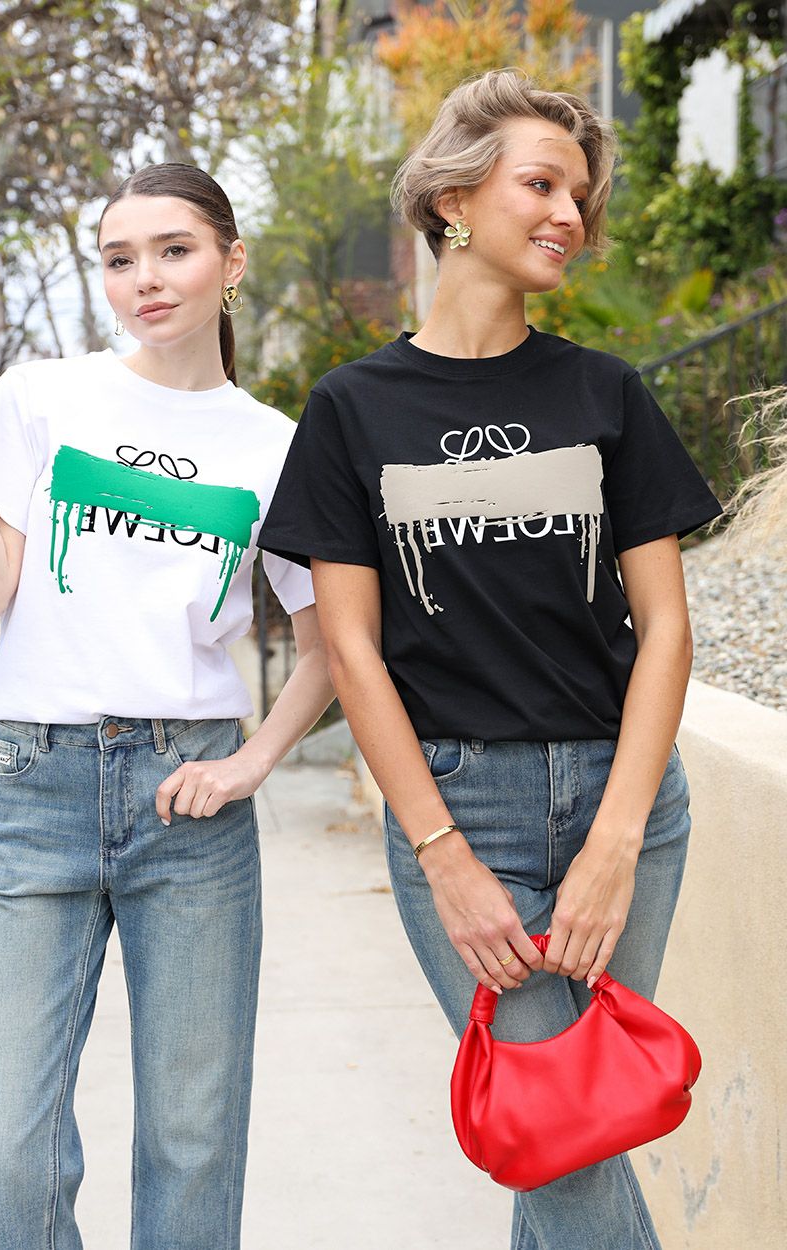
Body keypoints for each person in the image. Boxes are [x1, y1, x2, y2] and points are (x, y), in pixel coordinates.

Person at [259, 69, 722, 1249]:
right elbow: (352, 650)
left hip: (623, 796)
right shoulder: (352, 408)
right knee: (560, 1134)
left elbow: (665, 628)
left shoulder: (605, 392)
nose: (570, 213)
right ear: (453, 199)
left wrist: (616, 840)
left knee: (573, 1129)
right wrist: (443, 855)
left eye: (580, 196)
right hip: (461, 806)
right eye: (542, 184)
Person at [0, 163, 333, 1250]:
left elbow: (332, 644)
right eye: (118, 258)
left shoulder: (277, 445)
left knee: (192, 1141)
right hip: (36, 784)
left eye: (174, 250)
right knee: (10, 1156)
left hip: (190, 798)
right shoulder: (41, 397)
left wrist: (251, 760)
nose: (145, 277)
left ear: (231, 262)